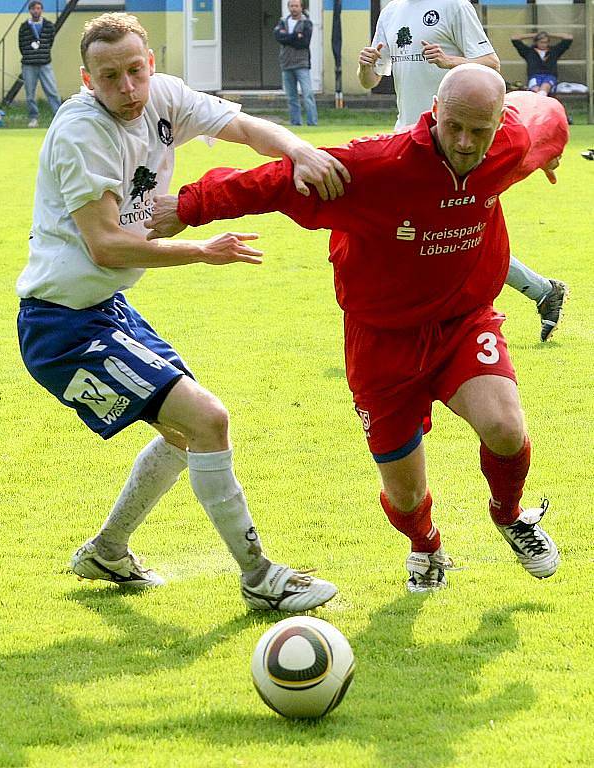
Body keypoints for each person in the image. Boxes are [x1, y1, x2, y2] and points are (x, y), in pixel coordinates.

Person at [148, 65, 567, 593]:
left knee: (506, 428)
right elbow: (278, 182)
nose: (465, 143)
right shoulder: (378, 166)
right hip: (381, 340)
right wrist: (190, 205)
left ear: (497, 123)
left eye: (479, 130)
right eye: (454, 126)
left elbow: (546, 115)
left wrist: (551, 146)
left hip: (463, 323)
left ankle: (509, 515)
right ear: (434, 112)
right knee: (406, 494)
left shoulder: (509, 144)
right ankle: (426, 546)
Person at [16, 12, 351, 610]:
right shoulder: (79, 133)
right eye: (109, 76)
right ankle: (259, 577)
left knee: (185, 434)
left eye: (135, 71)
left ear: (151, 65)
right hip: (61, 328)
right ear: (88, 81)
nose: (127, 88)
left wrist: (299, 149)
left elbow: (241, 126)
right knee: (208, 421)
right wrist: (203, 250)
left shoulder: (164, 98)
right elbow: (106, 243)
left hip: (102, 309)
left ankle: (107, 552)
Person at [357, 0, 568, 342]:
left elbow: (491, 65)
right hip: (405, 140)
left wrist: (449, 62)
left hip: (453, 142)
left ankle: (429, 321)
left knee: (438, 237)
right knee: (440, 237)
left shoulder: (454, 6)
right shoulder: (391, 11)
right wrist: (365, 67)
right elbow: (371, 79)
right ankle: (541, 291)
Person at [274, 0, 318, 126]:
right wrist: (295, 36)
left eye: (296, 6)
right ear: (288, 7)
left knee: (307, 94)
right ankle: (295, 123)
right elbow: (278, 37)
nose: (294, 8)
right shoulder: (282, 22)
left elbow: (304, 43)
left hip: (301, 63)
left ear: (301, 7)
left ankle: (312, 123)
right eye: (292, 6)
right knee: (291, 97)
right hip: (286, 63)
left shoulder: (306, 23)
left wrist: (287, 38)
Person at [18, 0, 61, 128]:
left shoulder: (48, 25)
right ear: (30, 11)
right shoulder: (24, 26)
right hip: (28, 65)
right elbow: (21, 45)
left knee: (52, 91)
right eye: (33, 9)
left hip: (45, 63)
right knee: (30, 93)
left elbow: (50, 42)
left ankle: (58, 117)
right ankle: (33, 118)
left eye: (38, 8)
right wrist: (30, 54)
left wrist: (42, 53)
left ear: (41, 10)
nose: (36, 11)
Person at [512, 31, 573, 96]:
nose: (544, 44)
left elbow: (569, 37)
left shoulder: (554, 51)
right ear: (536, 42)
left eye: (546, 42)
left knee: (545, 87)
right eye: (541, 42)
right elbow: (515, 38)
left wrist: (548, 34)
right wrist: (536, 35)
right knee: (535, 90)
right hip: (534, 75)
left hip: (550, 76)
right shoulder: (528, 52)